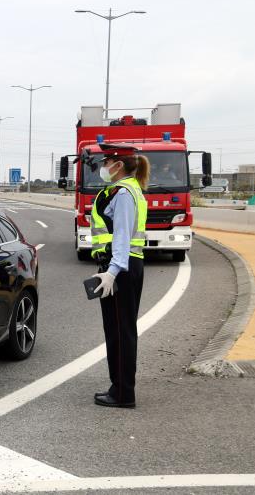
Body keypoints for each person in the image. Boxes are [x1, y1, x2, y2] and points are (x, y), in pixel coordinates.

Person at [89, 144, 149, 409]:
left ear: (118, 165)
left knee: (120, 332)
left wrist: (111, 273)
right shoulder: (129, 189)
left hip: (120, 270)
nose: (104, 166)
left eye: (107, 161)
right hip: (123, 267)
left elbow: (122, 237)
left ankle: (123, 393)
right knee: (118, 330)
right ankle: (119, 387)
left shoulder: (124, 193)